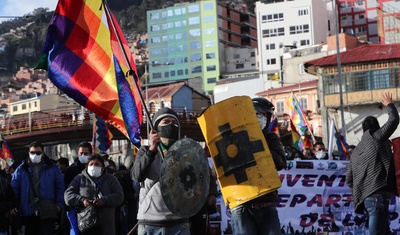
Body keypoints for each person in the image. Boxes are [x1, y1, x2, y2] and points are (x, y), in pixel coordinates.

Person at [228, 98, 286, 235]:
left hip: (267, 203)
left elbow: (281, 163)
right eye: (257, 115)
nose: (261, 118)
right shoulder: (234, 139)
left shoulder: (271, 139)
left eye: (264, 116)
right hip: (242, 204)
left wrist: (259, 145)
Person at [131, 107, 191, 235]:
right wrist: (151, 151)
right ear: (156, 127)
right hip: (150, 222)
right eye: (166, 121)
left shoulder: (185, 153)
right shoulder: (144, 151)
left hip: (179, 222)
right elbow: (137, 176)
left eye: (174, 123)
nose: (171, 125)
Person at [346, 92, 399, 235]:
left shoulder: (356, 151)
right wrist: (389, 105)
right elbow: (393, 120)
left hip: (366, 198)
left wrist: (360, 193)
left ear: (363, 130)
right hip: (378, 196)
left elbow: (349, 179)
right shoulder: (377, 137)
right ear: (377, 128)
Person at [10, 141, 65, 235]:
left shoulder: (52, 168)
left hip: (48, 211)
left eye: (38, 153)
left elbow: (60, 187)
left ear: (43, 153)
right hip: (27, 212)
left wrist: (59, 205)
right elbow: (13, 189)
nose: (35, 155)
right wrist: (12, 205)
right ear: (28, 153)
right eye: (32, 152)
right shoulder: (21, 169)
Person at [64, 154, 124, 235]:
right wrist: (82, 201)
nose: (93, 166)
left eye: (97, 164)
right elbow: (68, 196)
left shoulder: (111, 179)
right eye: (91, 164)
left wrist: (104, 200)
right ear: (87, 167)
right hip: (85, 226)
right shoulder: (79, 178)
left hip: (106, 227)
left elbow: (119, 196)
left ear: (102, 168)